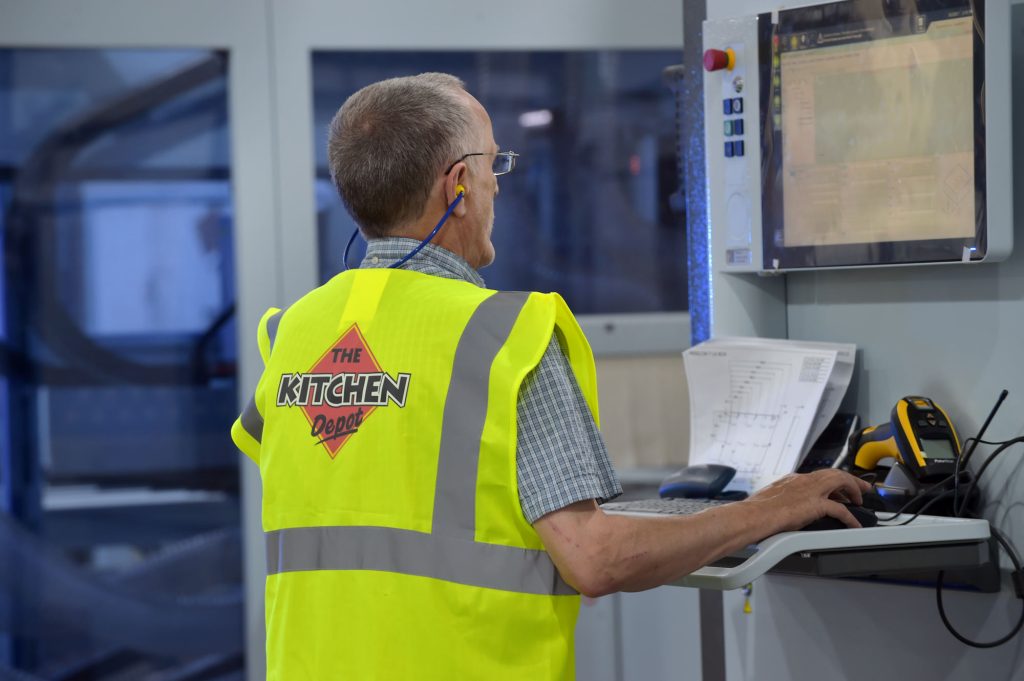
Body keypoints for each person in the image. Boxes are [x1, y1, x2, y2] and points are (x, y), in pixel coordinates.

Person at [231, 72, 870, 681]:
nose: (498, 186)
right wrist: (768, 511)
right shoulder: (504, 337)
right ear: (458, 185)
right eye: (493, 165)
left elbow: (366, 490)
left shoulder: (294, 334)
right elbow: (594, 558)